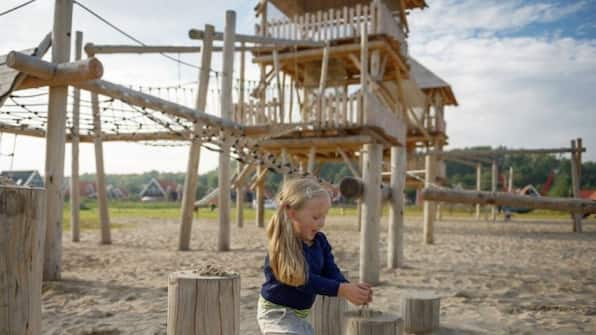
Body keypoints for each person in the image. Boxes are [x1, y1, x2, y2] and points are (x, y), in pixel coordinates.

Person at [257, 178, 373, 335]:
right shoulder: (283, 245)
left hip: (300, 316)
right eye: (316, 217)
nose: (321, 223)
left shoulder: (320, 241)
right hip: (276, 314)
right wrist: (342, 290)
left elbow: (330, 270)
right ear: (292, 214)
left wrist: (350, 288)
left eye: (324, 216)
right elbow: (303, 280)